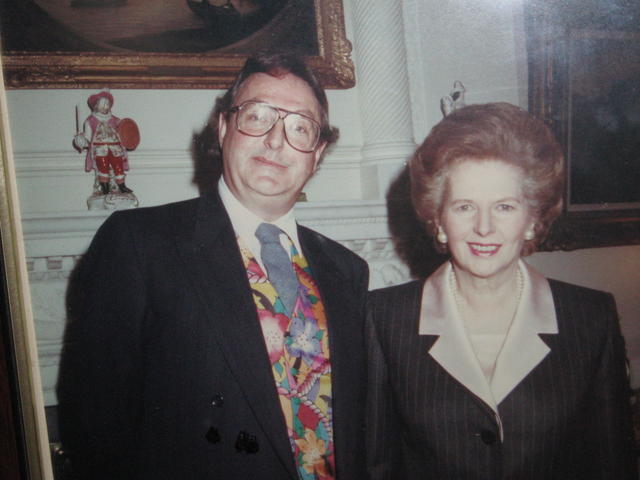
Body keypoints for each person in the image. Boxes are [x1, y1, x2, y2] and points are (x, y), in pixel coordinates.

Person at [58, 51, 369, 479]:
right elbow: (96, 423)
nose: (276, 141)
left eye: (300, 127)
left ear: (316, 154)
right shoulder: (139, 243)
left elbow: (362, 428)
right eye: (258, 117)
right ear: (223, 128)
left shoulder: (347, 270)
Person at [366, 103, 638, 479]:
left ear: (532, 220)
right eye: (464, 207)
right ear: (439, 221)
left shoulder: (591, 317)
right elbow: (375, 466)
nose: (483, 228)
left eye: (505, 207)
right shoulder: (383, 318)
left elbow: (612, 465)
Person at [73, 89, 134, 195]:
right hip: (100, 149)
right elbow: (88, 138)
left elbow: (124, 133)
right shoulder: (90, 121)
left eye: (107, 104)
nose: (105, 106)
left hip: (115, 148)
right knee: (103, 166)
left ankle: (122, 186)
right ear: (96, 106)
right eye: (103, 104)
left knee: (118, 166)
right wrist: (81, 140)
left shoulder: (116, 120)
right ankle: (104, 187)